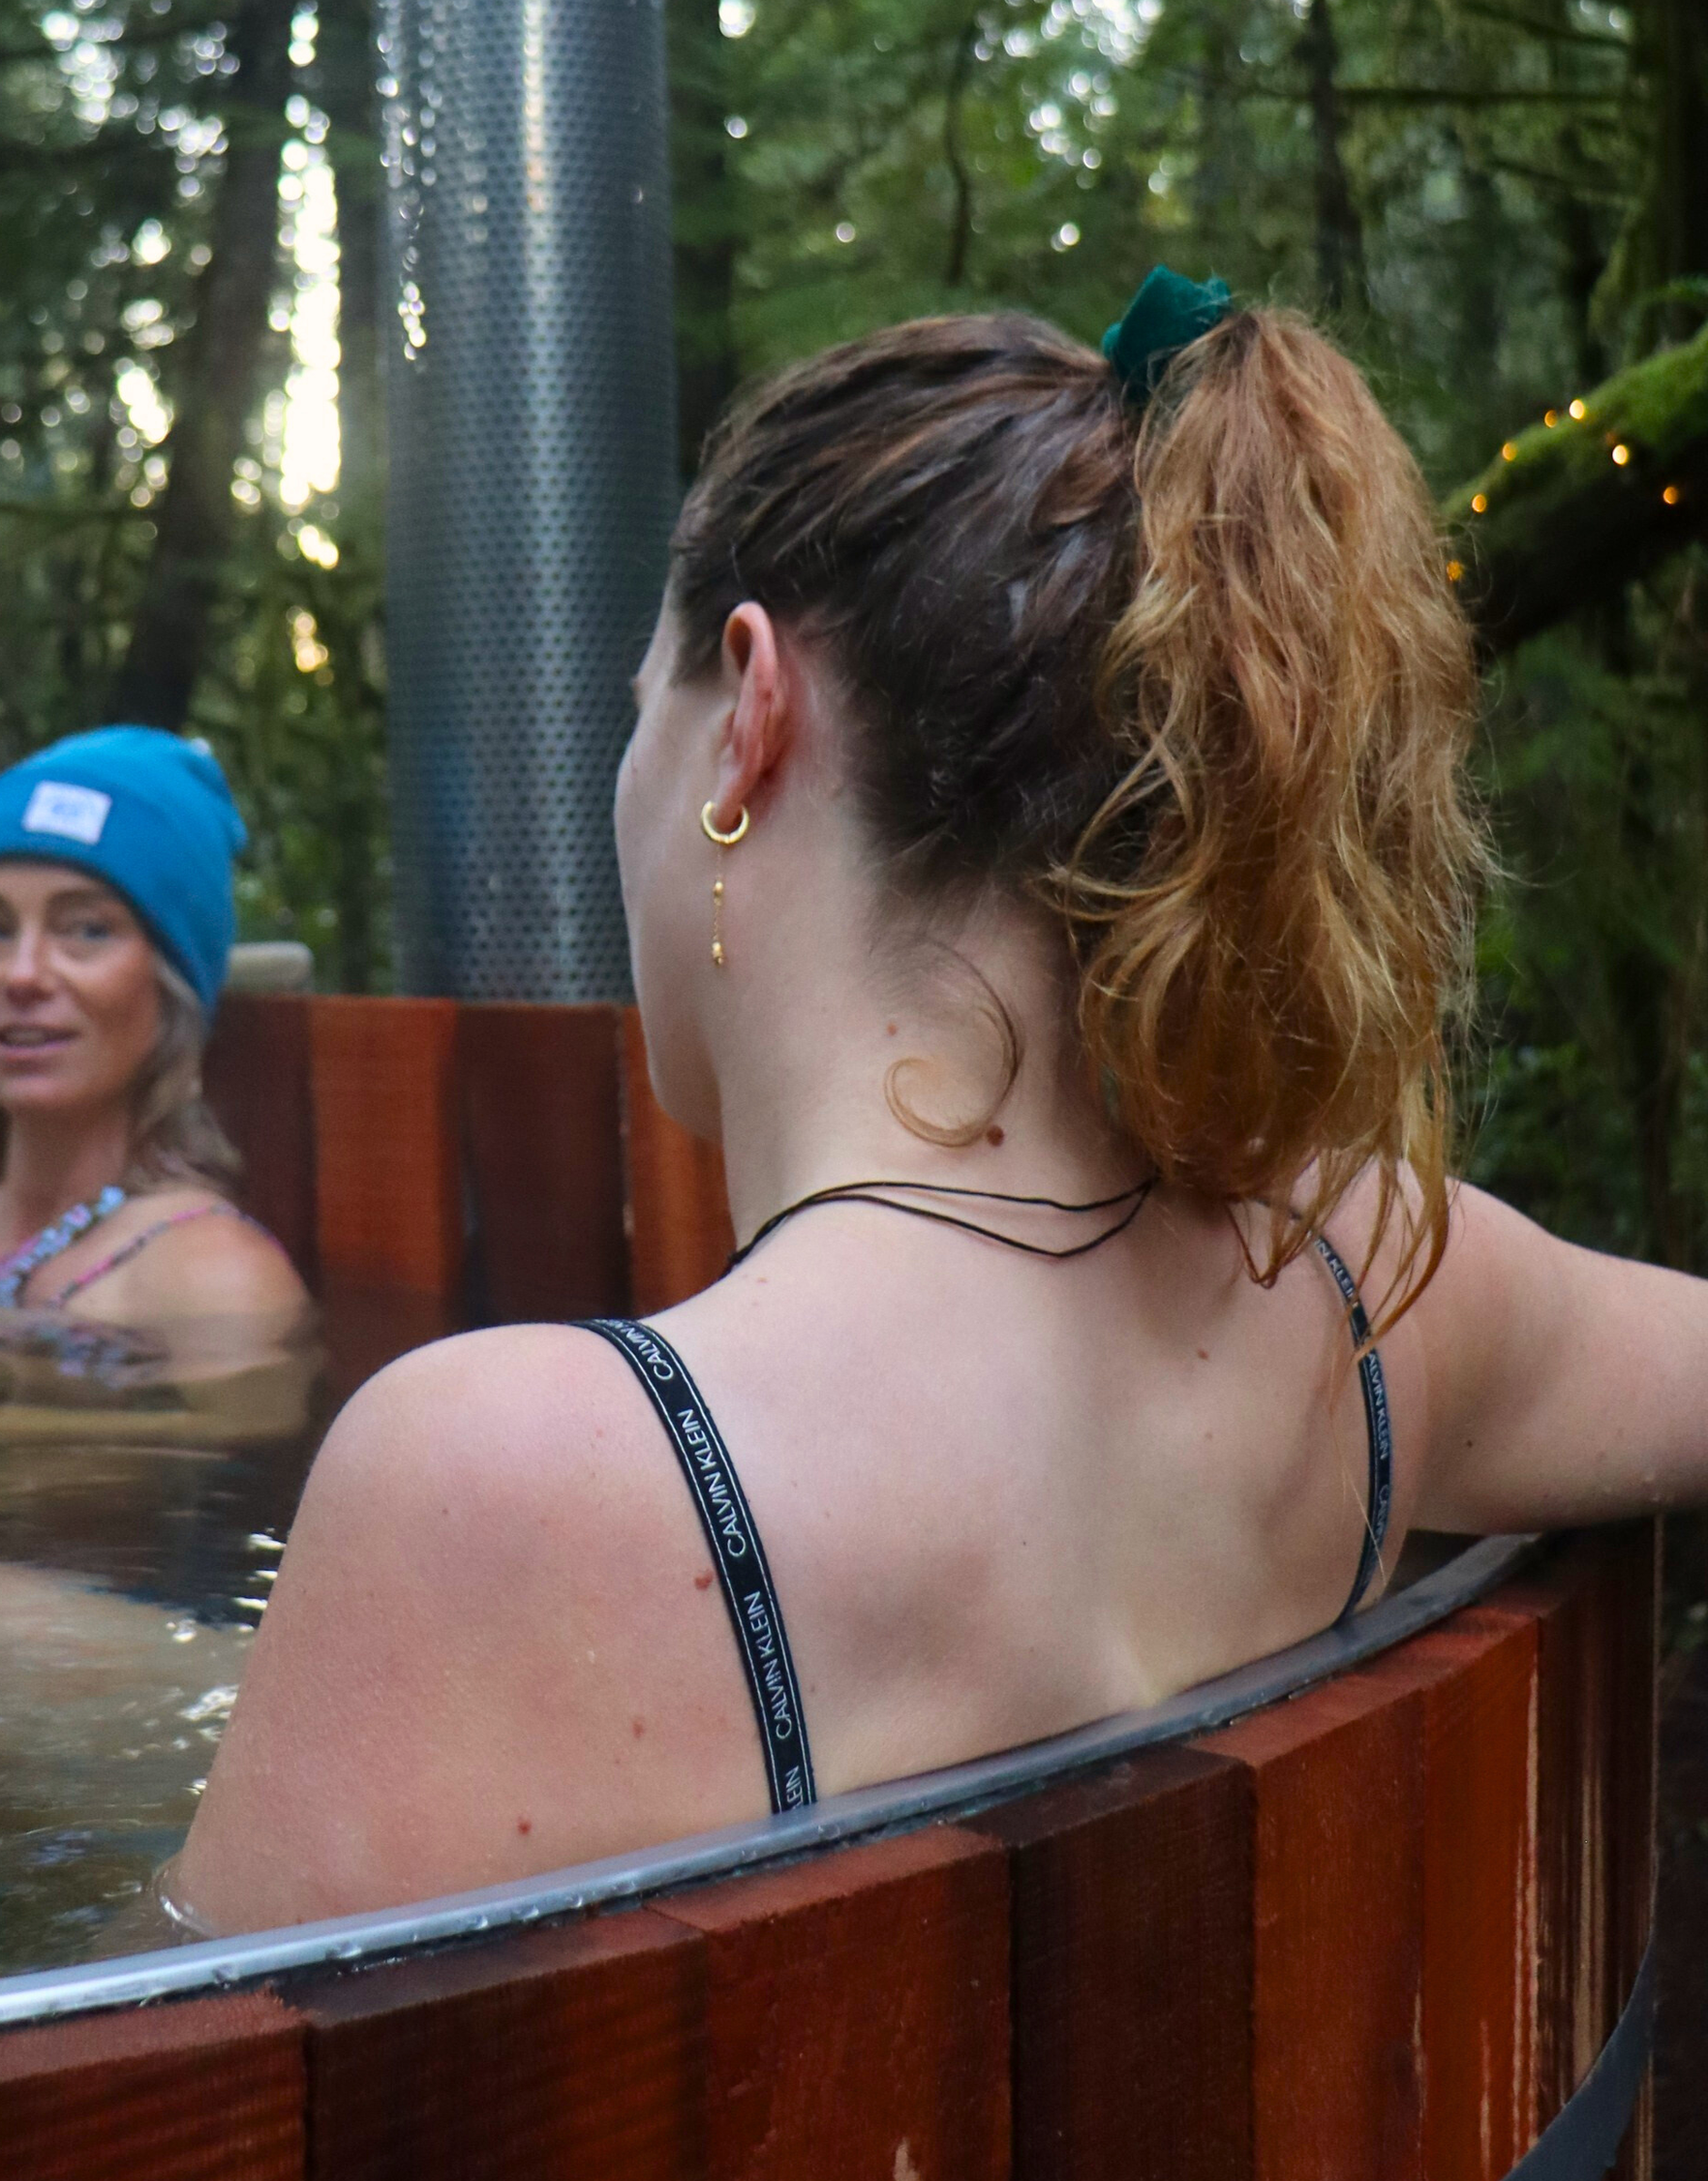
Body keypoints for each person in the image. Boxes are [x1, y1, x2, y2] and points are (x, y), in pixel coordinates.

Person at [175, 278, 1703, 1932]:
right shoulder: (1374, 1286)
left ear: (747, 714)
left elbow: (167, 2144)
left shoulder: (505, 1487)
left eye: (643, 719)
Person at [0, 725, 310, 1381]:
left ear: (172, 985)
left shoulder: (214, 1284)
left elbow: (256, 1476)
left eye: (86, 929)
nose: (21, 975)